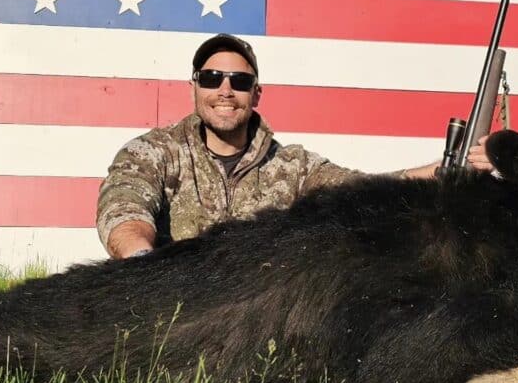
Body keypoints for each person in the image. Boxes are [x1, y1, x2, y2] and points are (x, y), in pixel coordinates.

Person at [97, 33, 496, 259]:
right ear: (194, 87)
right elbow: (124, 206)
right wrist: (142, 263)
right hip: (170, 296)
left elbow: (363, 188)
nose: (224, 90)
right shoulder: (152, 152)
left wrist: (440, 173)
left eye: (238, 82)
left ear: (256, 93)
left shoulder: (293, 165)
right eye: (212, 78)